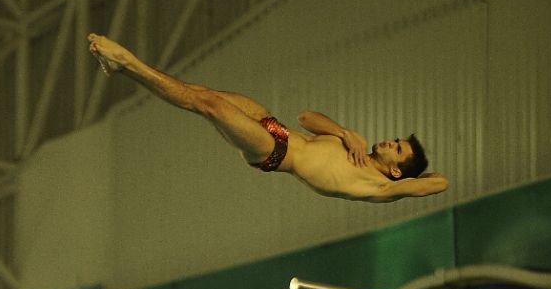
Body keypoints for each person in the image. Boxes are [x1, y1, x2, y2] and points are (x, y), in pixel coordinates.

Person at [87, 33, 448, 203]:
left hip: (274, 150)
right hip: (274, 124)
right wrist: (342, 132)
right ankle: (121, 69)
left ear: (396, 170)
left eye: (396, 149)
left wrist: (411, 177)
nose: (388, 142)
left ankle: (129, 62)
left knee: (206, 104)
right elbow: (305, 116)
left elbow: (439, 183)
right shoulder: (351, 140)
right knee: (201, 92)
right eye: (395, 139)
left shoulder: (382, 188)